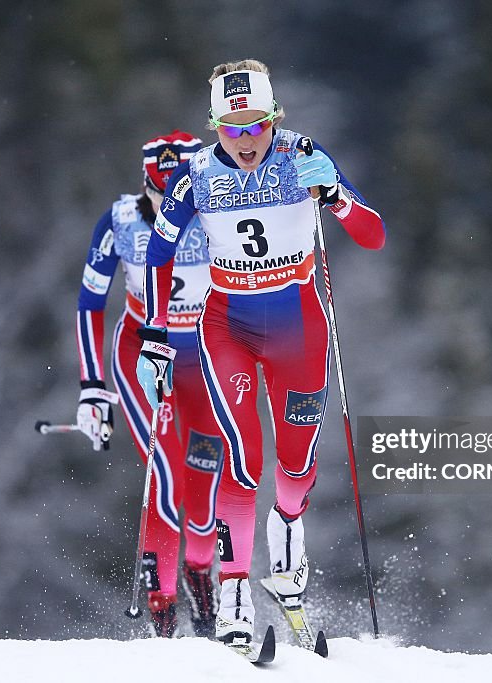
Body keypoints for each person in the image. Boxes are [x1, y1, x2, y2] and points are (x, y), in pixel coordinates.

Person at [135, 60, 385, 645]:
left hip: (298, 323)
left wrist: (338, 198)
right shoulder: (196, 175)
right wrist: (153, 335)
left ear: (275, 119)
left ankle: (290, 536)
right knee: (242, 460)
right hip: (227, 324)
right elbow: (158, 253)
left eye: (256, 126)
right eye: (231, 127)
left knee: (295, 468)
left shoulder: (303, 156)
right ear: (215, 126)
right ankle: (234, 592)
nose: (245, 141)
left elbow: (374, 234)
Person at [75, 130, 225, 638]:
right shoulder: (120, 219)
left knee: (206, 478)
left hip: (205, 358)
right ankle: (161, 604)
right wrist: (92, 386)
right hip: (144, 356)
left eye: (179, 193)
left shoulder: (219, 211)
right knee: (165, 474)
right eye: (160, 196)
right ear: (146, 184)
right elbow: (90, 303)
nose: (169, 208)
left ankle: (201, 572)